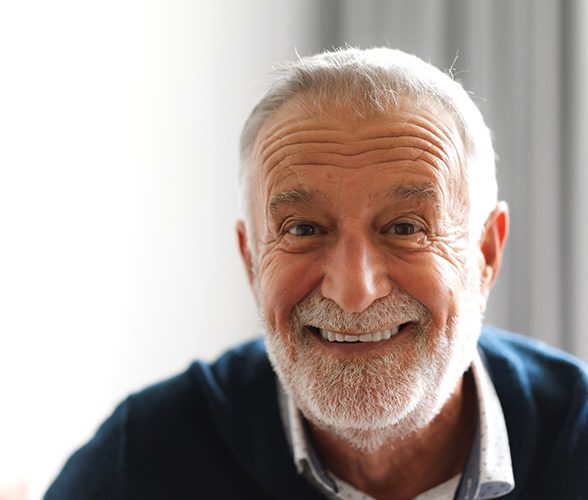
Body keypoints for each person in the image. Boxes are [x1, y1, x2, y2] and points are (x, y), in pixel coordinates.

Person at [45, 47, 588, 500]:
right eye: (303, 230)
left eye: (404, 227)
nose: (353, 292)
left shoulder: (576, 439)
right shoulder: (140, 462)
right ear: (252, 260)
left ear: (485, 254)